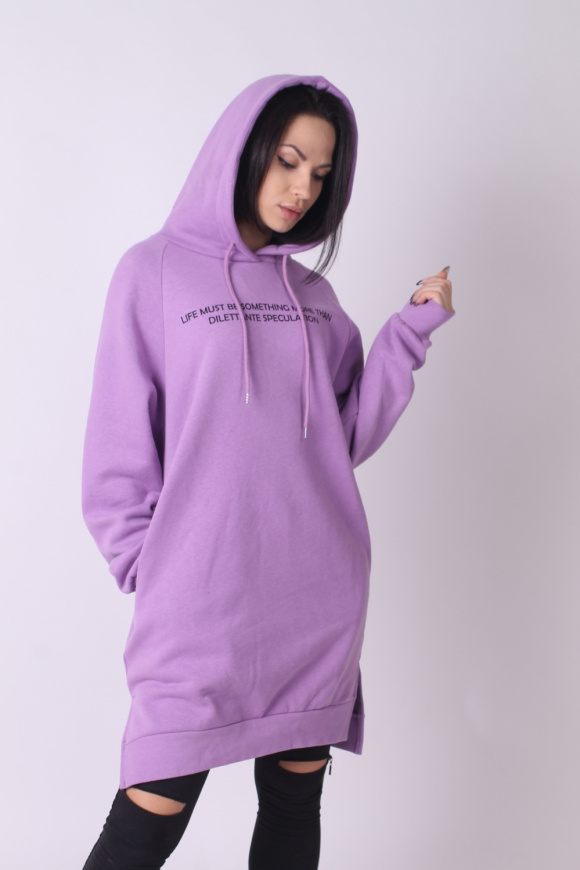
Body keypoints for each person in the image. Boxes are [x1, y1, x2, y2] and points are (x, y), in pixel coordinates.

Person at [81, 74, 454, 870]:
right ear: (241, 151)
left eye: (321, 173)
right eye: (288, 160)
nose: (302, 189)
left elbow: (342, 438)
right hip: (197, 605)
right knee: (148, 820)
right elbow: (117, 446)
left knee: (293, 805)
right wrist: (153, 566)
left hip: (315, 598)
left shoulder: (314, 296)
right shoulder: (152, 272)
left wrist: (409, 331)